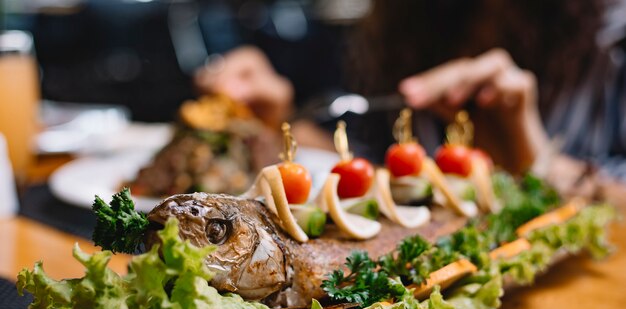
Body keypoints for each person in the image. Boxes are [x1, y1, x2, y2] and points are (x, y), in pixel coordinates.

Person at [195, 0, 626, 187]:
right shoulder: (402, 27)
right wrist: (275, 122)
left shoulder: (612, 39)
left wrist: (540, 163)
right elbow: (370, 162)